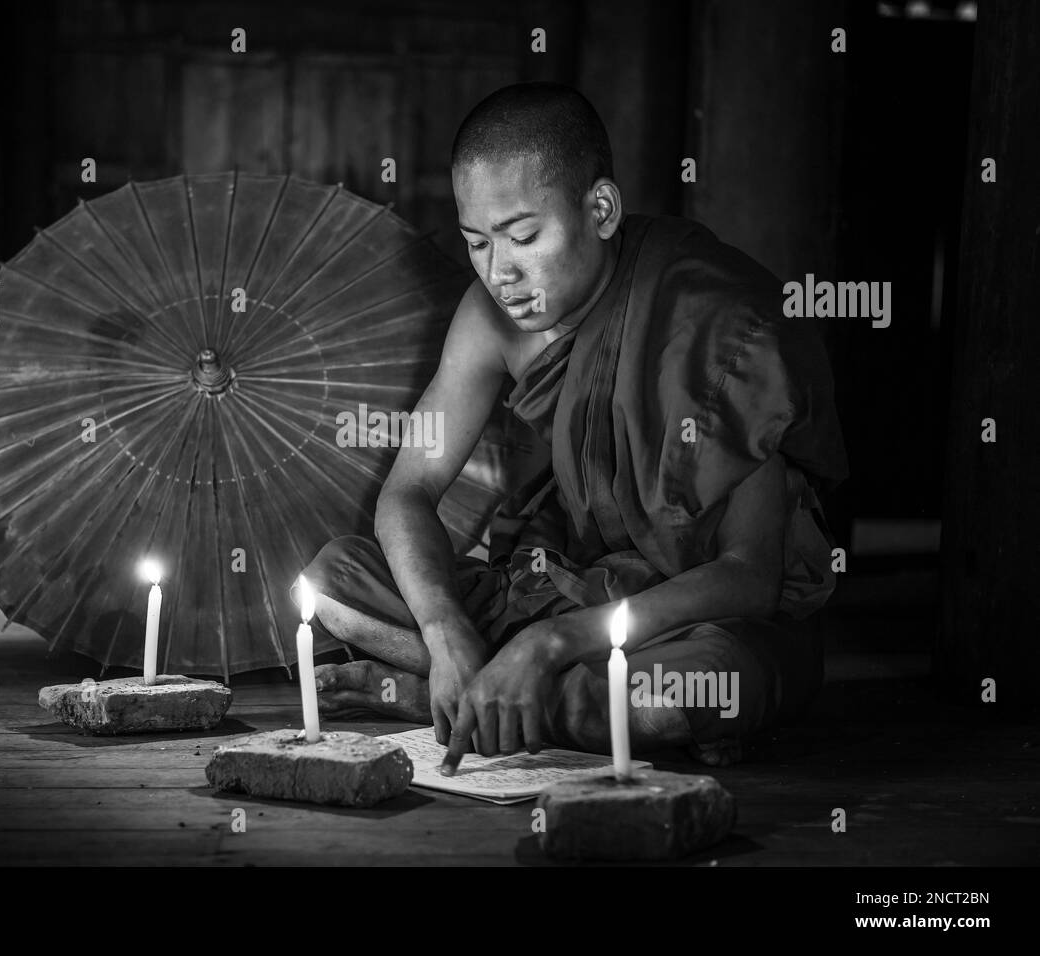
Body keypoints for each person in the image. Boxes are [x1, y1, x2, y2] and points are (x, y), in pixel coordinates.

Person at [296, 81, 847, 769]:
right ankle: (507, 691)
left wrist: (549, 645)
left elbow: (748, 576)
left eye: (524, 237)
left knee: (690, 691)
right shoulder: (488, 318)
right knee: (334, 582)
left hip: (686, 620)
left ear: (601, 209)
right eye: (476, 243)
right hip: (560, 586)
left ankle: (466, 700)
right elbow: (408, 491)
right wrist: (443, 633)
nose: (501, 273)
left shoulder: (715, 321)